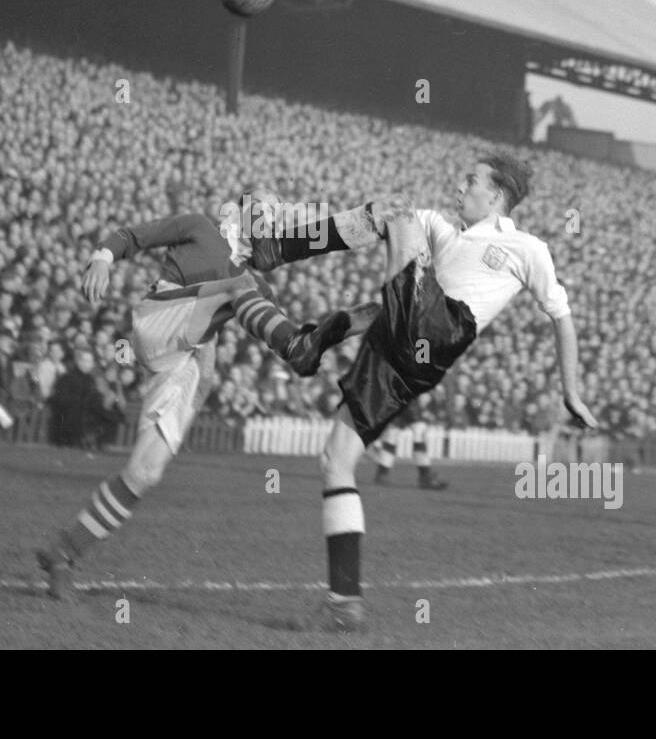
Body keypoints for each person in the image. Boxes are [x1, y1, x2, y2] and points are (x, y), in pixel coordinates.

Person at [264, 155, 599, 632]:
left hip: (442, 332)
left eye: (471, 181)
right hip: (402, 360)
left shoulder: (526, 247)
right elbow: (376, 238)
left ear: (497, 196)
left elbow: (561, 317)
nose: (460, 187)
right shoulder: (440, 226)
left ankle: (278, 254)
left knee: (396, 211)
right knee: (335, 459)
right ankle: (345, 603)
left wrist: (572, 391)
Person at [35, 190, 374, 599]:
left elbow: (299, 246)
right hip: (159, 318)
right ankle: (298, 345)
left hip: (183, 357)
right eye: (265, 209)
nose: (272, 217)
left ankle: (62, 552)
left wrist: (366, 225)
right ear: (240, 211)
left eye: (275, 213)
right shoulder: (201, 227)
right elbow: (132, 235)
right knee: (241, 289)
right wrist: (103, 257)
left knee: (145, 473)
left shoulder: (251, 278)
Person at [370, 395, 450, 490]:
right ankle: (424, 476)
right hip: (400, 394)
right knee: (394, 433)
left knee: (411, 430)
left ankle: (423, 475)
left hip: (405, 395)